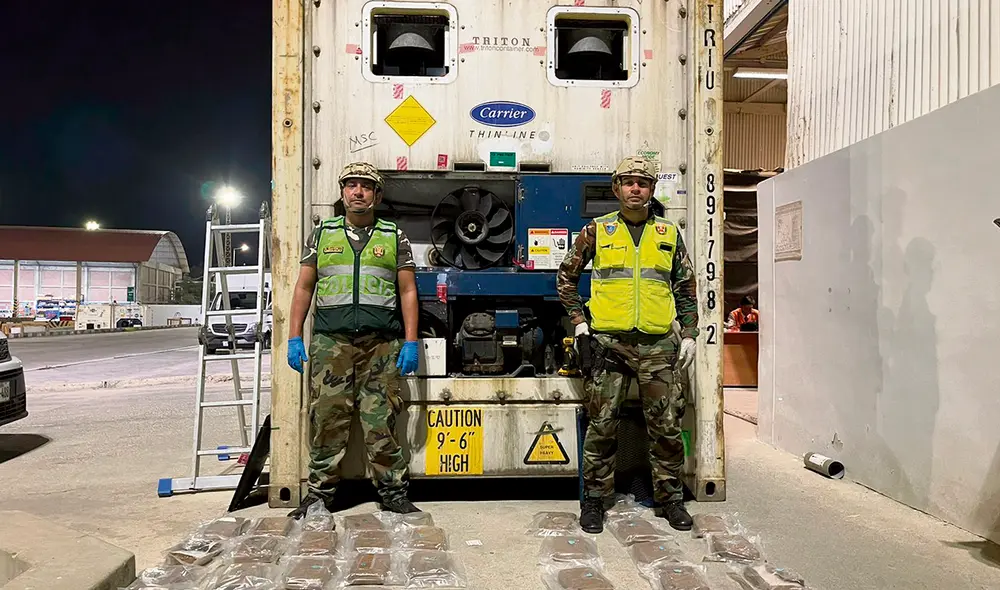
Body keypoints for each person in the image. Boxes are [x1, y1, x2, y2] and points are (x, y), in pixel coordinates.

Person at [557, 156, 700, 533]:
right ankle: (593, 501)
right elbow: (566, 278)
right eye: (628, 182)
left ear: (652, 190)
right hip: (608, 343)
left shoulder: (668, 233)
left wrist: (689, 333)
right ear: (617, 188)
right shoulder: (597, 230)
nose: (635, 188)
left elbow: (685, 287)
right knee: (602, 426)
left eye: (643, 182)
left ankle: (670, 500)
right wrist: (580, 322)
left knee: (666, 426)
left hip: (657, 345)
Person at [286, 161, 421, 518]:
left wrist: (410, 341)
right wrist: (294, 336)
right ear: (342, 192)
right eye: (351, 185)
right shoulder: (322, 234)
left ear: (377, 195)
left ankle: (392, 491)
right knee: (327, 418)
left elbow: (408, 291)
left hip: (382, 345)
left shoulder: (394, 237)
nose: (357, 191)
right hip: (332, 344)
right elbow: (303, 286)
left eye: (365, 186)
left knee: (381, 422)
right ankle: (319, 495)